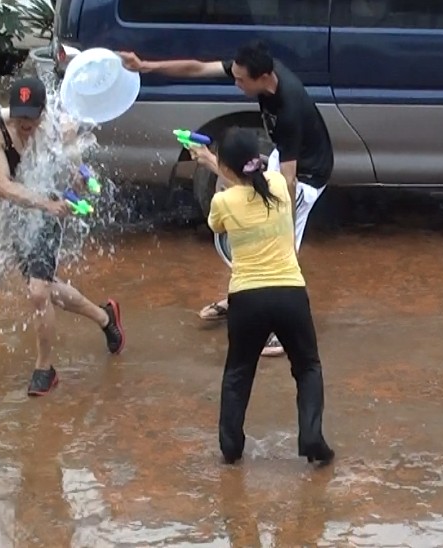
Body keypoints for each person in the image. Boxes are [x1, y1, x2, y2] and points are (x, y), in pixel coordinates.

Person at [119, 40, 334, 358]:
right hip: (285, 159)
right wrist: (145, 66)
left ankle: (282, 331)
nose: (236, 84)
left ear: (263, 78)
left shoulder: (290, 108)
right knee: (254, 238)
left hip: (305, 176)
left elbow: (287, 182)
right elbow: (197, 67)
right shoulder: (256, 69)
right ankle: (240, 300)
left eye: (241, 81)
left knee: (282, 256)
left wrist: (282, 225)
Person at [192, 126, 334, 465]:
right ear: (257, 158)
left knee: (238, 372)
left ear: (227, 167)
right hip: (289, 294)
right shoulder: (280, 185)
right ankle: (311, 436)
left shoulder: (222, 201)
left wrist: (212, 165)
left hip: (247, 299)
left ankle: (231, 447)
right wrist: (218, 163)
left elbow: (218, 224)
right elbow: (251, 183)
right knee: (307, 366)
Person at [0, 76, 125, 396]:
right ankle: (105, 317)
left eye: (31, 117)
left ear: (43, 112)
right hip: (21, 211)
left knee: (37, 292)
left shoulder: (60, 128)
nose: (25, 124)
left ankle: (45, 369)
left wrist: (80, 182)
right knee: (45, 289)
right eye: (20, 117)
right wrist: (43, 203)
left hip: (51, 209)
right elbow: (3, 186)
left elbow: (76, 176)